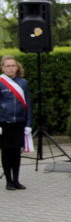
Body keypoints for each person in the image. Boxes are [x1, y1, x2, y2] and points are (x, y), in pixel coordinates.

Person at [0, 55, 33, 190]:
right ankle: (8, 181)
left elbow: (28, 104)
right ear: (3, 67)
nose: (10, 68)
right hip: (4, 123)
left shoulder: (23, 83)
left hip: (19, 122)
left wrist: (28, 124)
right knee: (6, 152)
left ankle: (16, 180)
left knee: (16, 152)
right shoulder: (1, 82)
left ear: (17, 67)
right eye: (7, 66)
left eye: (13, 65)